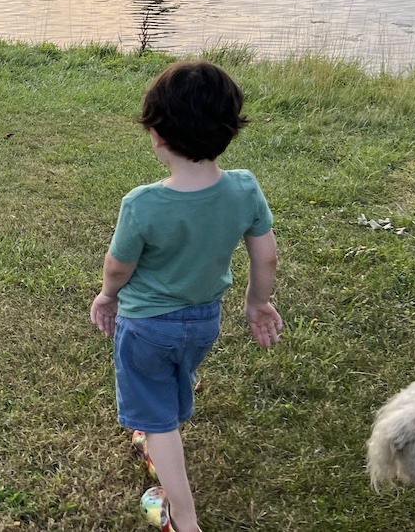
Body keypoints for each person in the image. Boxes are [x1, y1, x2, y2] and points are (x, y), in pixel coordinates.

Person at [89, 60, 282, 532]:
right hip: (203, 321)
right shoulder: (244, 189)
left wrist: (107, 295)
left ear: (156, 133)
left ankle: (183, 516)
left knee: (156, 414)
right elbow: (266, 256)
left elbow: (119, 265)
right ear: (230, 129)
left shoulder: (143, 203)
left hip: (147, 328)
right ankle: (165, 415)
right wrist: (257, 302)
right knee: (179, 369)